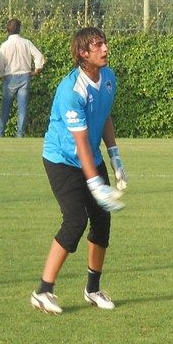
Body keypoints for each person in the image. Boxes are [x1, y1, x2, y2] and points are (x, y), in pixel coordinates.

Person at [31, 27, 128, 316]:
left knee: (102, 221)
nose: (105, 49)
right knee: (75, 221)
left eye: (105, 43)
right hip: (62, 159)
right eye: (98, 45)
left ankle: (93, 289)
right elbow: (81, 142)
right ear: (82, 54)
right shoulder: (71, 91)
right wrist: (96, 184)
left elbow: (104, 114)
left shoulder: (108, 78)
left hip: (89, 156)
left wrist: (115, 157)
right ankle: (43, 291)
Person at [0, 18, 46, 137]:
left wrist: (1, 75)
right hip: (25, 76)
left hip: (10, 76)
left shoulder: (5, 45)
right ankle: (20, 134)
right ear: (19, 29)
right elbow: (39, 56)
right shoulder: (26, 42)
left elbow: (0, 64)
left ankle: (0, 133)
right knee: (22, 108)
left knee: (5, 108)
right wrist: (36, 70)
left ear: (7, 30)